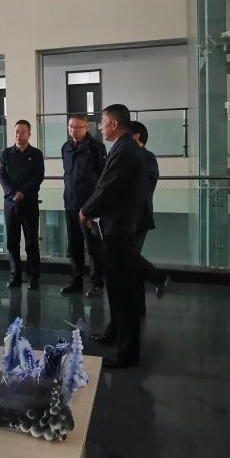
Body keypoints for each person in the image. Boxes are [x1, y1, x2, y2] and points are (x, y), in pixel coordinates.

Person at [80, 104, 147, 369]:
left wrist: (87, 210)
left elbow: (108, 187)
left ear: (114, 124)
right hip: (115, 226)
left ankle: (127, 353)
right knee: (117, 290)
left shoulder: (126, 150)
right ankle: (116, 334)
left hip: (120, 228)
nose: (100, 126)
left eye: (103, 122)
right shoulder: (122, 147)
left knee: (124, 293)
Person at [60, 114, 108, 297]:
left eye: (78, 127)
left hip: (88, 207)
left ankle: (97, 283)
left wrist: (94, 205)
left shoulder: (96, 147)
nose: (73, 130)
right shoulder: (66, 147)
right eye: (70, 126)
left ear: (86, 128)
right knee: (74, 246)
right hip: (70, 204)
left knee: (93, 246)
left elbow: (103, 178)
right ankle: (76, 280)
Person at [0, 119, 45, 290]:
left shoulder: (36, 153)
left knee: (31, 242)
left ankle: (33, 277)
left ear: (29, 134)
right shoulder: (6, 153)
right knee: (12, 242)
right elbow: (1, 176)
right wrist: (12, 193)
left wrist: (23, 192)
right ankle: (15, 276)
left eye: (23, 132)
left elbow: (38, 176)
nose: (19, 134)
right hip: (10, 204)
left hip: (29, 203)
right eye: (17, 131)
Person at [130, 121, 166, 299]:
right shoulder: (123, 155)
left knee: (130, 255)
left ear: (136, 136)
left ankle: (157, 278)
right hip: (124, 216)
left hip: (138, 215)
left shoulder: (148, 157)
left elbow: (146, 185)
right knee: (128, 256)